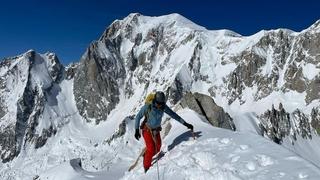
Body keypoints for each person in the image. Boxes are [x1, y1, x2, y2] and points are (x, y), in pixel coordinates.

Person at [134, 91, 194, 173]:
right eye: (158, 103)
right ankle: (146, 167)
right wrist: (137, 130)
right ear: (155, 100)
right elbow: (138, 117)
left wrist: (185, 123)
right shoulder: (148, 107)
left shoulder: (163, 107)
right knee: (151, 148)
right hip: (147, 130)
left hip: (156, 130)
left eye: (161, 104)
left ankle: (147, 155)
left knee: (158, 148)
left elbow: (174, 115)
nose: (159, 105)